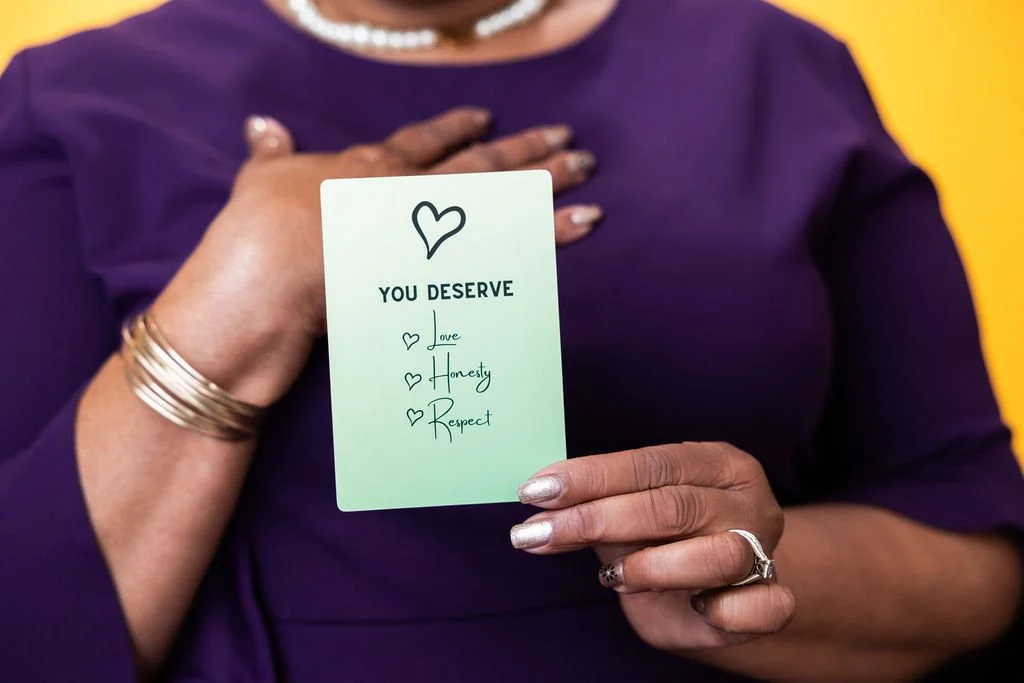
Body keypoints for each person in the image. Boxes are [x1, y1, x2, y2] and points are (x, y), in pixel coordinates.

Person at [1, 0, 1022, 680]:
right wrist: (238, 301)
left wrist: (743, 574)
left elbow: (973, 557)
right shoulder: (78, 96)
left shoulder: (776, 68)